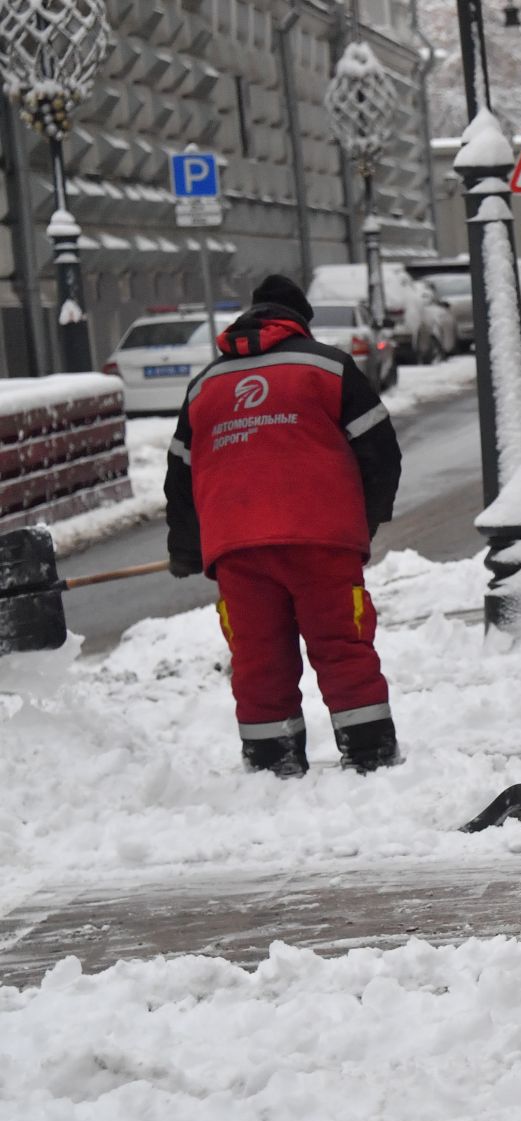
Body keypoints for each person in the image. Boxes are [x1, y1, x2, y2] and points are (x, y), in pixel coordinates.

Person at [163, 274, 402, 778]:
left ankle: (272, 768)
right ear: (298, 322)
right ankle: (371, 759)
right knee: (342, 646)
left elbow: (180, 476)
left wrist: (188, 549)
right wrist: (366, 520)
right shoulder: (327, 366)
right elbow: (380, 451)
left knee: (258, 658)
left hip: (236, 547)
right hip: (321, 539)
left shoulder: (205, 384)